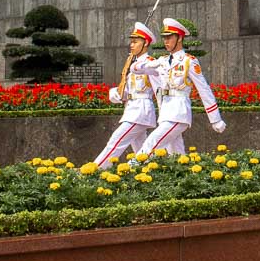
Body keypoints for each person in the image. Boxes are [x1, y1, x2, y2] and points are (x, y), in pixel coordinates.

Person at [131, 18, 225, 157]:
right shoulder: (162, 61)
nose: (166, 41)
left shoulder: (189, 61)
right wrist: (147, 64)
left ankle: (132, 170)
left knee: (151, 143)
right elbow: (135, 69)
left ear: (179, 38)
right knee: (176, 156)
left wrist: (215, 118)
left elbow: (204, 90)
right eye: (164, 38)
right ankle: (186, 177)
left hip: (179, 113)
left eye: (169, 37)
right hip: (165, 112)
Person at [93, 22, 159, 166]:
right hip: (132, 109)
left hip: (140, 111)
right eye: (131, 42)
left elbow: (159, 88)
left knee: (116, 141)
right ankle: (157, 174)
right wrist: (117, 94)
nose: (132, 45)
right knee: (143, 154)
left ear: (146, 43)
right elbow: (128, 90)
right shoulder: (131, 63)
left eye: (136, 42)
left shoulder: (150, 64)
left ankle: (94, 171)